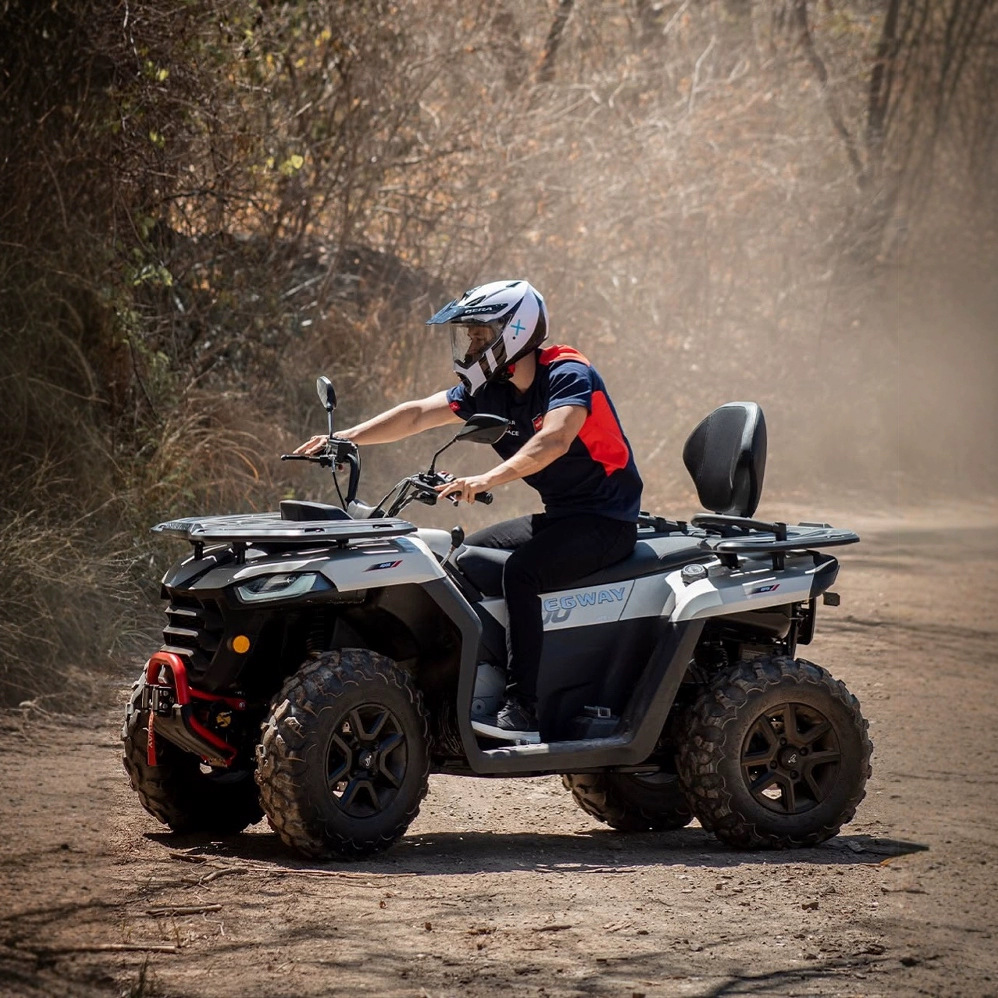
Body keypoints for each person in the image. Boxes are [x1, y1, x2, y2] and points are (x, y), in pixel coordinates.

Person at [295, 279, 643, 738]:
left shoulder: (568, 374)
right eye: (469, 335)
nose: (471, 344)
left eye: (480, 334)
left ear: (514, 333)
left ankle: (525, 708)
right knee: (460, 562)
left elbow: (554, 440)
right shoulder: (491, 389)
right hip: (561, 514)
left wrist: (487, 479)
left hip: (608, 520)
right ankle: (473, 681)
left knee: (523, 573)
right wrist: (345, 439)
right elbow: (418, 413)